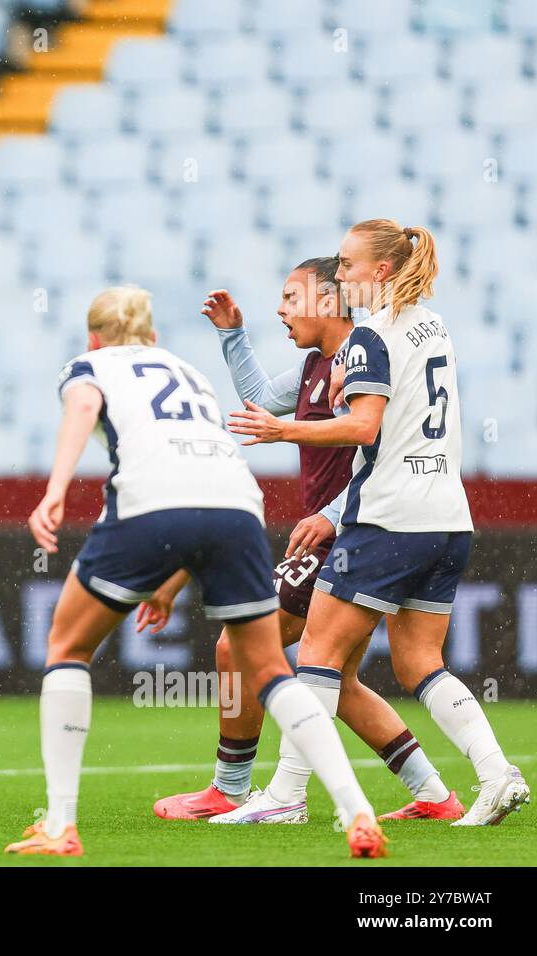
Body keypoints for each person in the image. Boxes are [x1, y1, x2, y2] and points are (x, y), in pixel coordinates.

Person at [4, 285, 387, 857]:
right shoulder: (187, 371)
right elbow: (200, 480)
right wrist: (172, 581)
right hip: (238, 505)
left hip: (151, 502)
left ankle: (60, 826)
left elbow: (85, 409)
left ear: (94, 337)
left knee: (66, 646)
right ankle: (356, 810)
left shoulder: (89, 363)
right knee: (269, 669)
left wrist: (55, 489)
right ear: (153, 338)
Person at [229, 219, 530, 827]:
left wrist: (283, 429)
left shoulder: (370, 333)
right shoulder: (430, 322)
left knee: (315, 652)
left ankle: (286, 795)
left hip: (389, 516)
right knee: (419, 663)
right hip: (448, 515)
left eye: (346, 265)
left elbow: (364, 427)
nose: (339, 277)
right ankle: (498, 776)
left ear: (382, 271)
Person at [147, 258, 460, 823]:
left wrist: (334, 515)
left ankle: (231, 787)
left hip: (354, 532)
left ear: (329, 300)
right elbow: (260, 403)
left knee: (237, 644)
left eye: (292, 297)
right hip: (350, 532)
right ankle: (436, 795)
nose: (281, 309)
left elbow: (378, 449)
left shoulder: (363, 361)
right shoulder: (318, 366)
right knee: (336, 676)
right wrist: (232, 337)